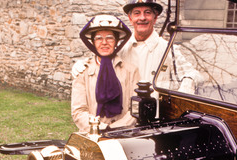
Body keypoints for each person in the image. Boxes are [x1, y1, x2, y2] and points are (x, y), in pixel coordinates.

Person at [72, 1, 201, 96]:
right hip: (123, 119)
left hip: (157, 121)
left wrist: (182, 94)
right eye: (137, 13)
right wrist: (81, 65)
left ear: (155, 18)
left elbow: (193, 75)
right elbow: (101, 61)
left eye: (147, 13)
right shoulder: (121, 48)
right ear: (130, 18)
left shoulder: (168, 49)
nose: (142, 18)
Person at [71, 15, 140, 132]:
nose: (104, 43)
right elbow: (78, 111)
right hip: (92, 133)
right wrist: (100, 128)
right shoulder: (83, 71)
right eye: (98, 38)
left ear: (117, 41)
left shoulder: (131, 71)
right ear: (93, 42)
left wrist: (115, 129)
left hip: (123, 133)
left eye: (110, 38)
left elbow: (136, 108)